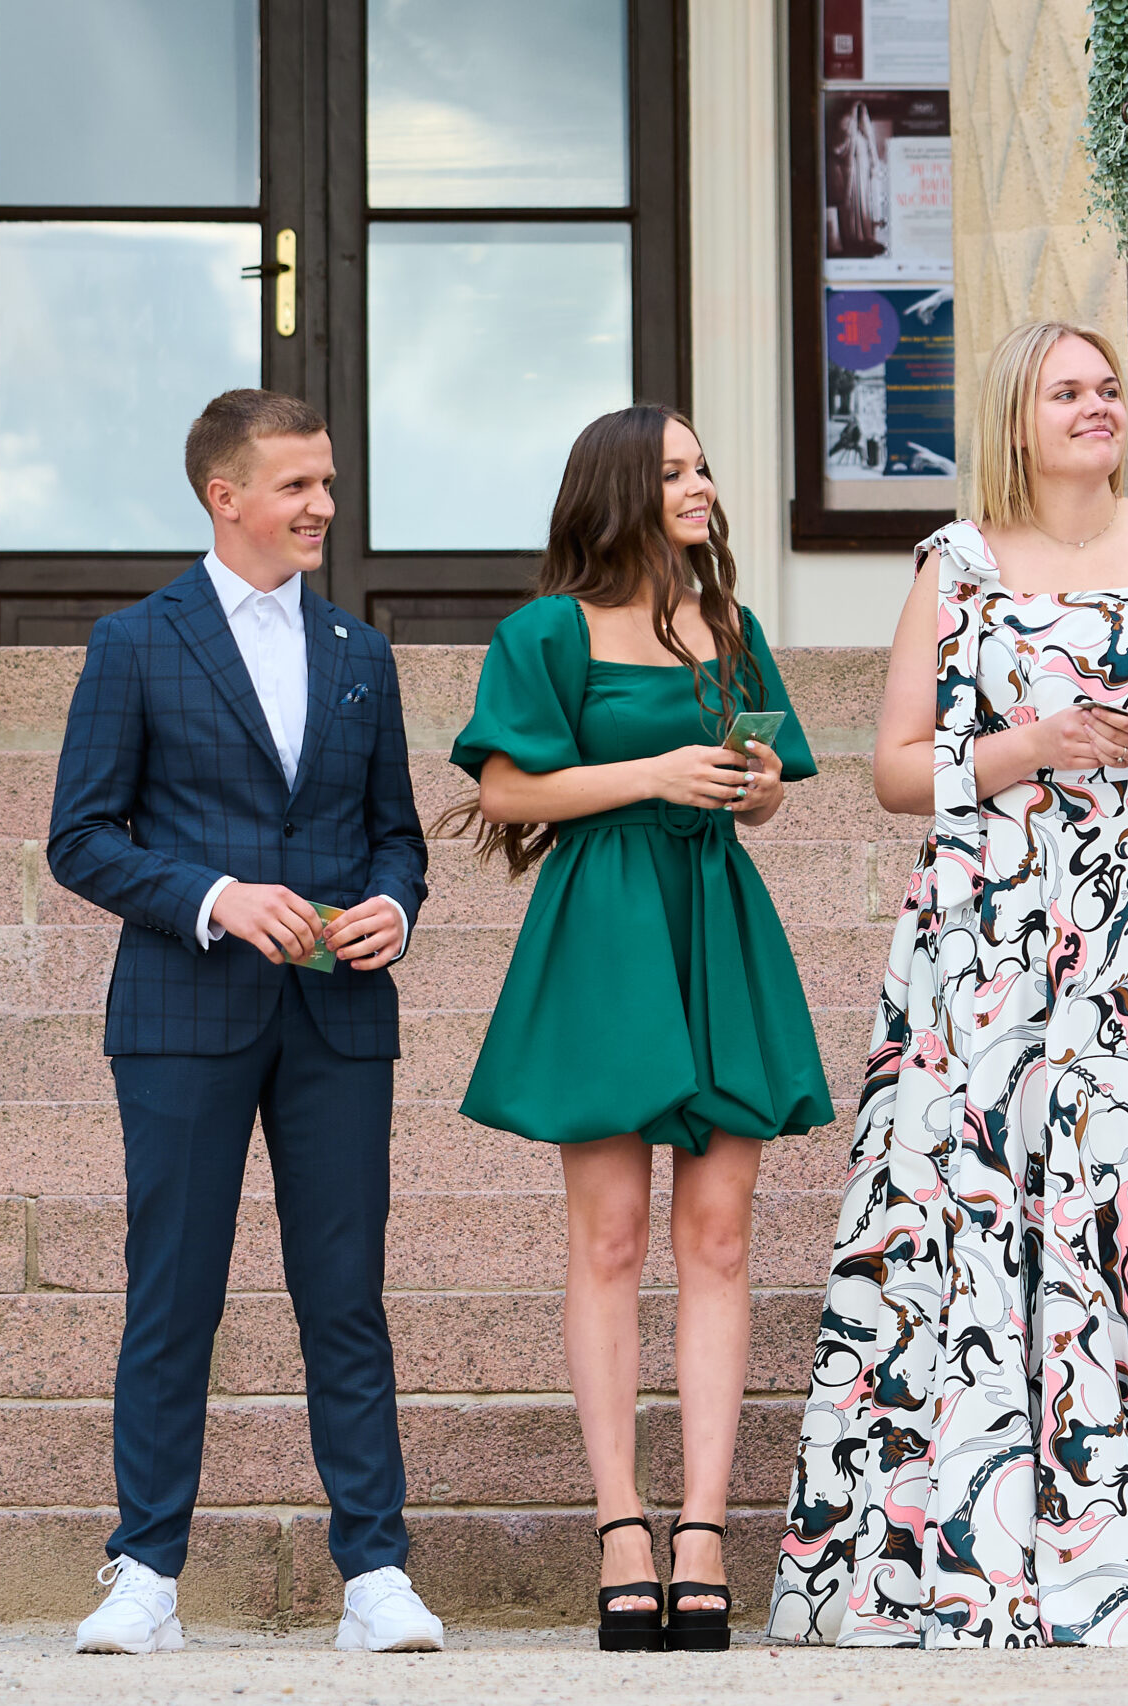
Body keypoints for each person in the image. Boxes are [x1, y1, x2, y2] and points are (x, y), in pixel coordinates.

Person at [770, 321, 1128, 1647]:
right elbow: (895, 768)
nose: (1099, 406)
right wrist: (1029, 743)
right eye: (1068, 391)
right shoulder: (958, 565)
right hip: (1006, 953)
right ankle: (992, 1557)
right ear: (1015, 417)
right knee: (998, 1211)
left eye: (1108, 388)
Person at [48, 389, 440, 1655]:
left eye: (326, 481)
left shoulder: (362, 652)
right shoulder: (134, 643)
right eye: (297, 484)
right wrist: (215, 896)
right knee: (172, 1294)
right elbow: (80, 838)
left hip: (339, 1015)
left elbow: (397, 834)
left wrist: (392, 905)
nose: (323, 503)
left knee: (346, 1295)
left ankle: (375, 1570)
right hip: (181, 1010)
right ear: (226, 497)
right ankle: (146, 1571)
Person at [439, 406, 831, 1653]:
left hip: (714, 919)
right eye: (672, 471)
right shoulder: (546, 631)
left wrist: (751, 788)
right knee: (608, 1237)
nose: (700, 484)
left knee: (717, 1236)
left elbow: (766, 790)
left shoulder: (730, 624)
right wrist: (654, 773)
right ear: (617, 488)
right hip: (604, 927)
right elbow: (507, 786)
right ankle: (620, 1524)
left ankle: (703, 1527)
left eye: (703, 464)